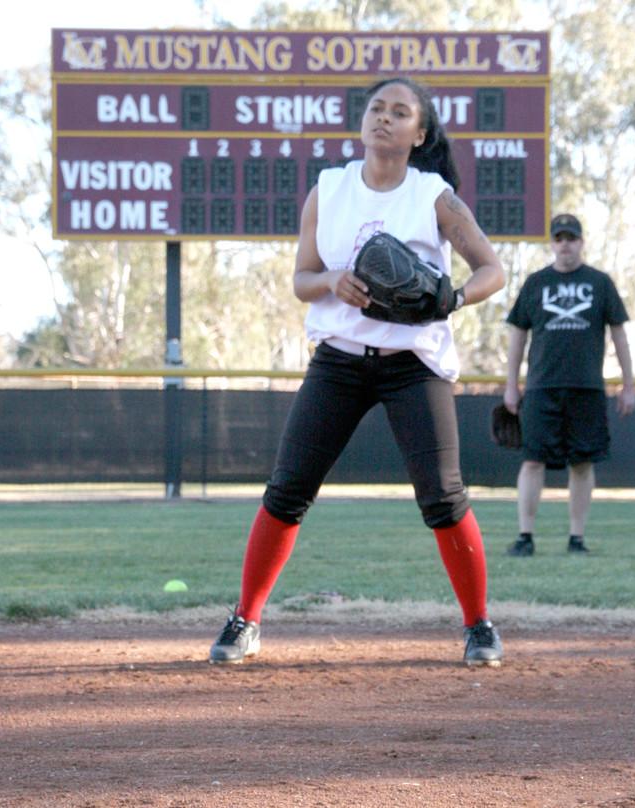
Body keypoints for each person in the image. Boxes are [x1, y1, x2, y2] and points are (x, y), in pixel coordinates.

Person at [209, 77, 506, 667]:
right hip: (340, 360)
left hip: (412, 364)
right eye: (377, 108)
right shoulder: (330, 188)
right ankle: (246, 619)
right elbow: (301, 279)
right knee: (288, 489)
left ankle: (479, 625)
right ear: (363, 122)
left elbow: (493, 270)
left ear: (418, 134)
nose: (384, 118)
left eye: (400, 113)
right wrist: (330, 282)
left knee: (443, 498)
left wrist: (452, 298)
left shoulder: (433, 195)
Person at [503, 213, 635, 556]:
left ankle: (577, 538)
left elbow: (619, 335)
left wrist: (628, 384)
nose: (565, 244)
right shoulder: (535, 283)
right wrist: (511, 385)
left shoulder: (599, 283)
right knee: (533, 461)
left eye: (571, 238)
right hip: (541, 387)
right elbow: (517, 335)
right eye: (559, 238)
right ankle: (525, 537)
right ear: (552, 243)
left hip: (587, 387)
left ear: (581, 242)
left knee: (582, 463)